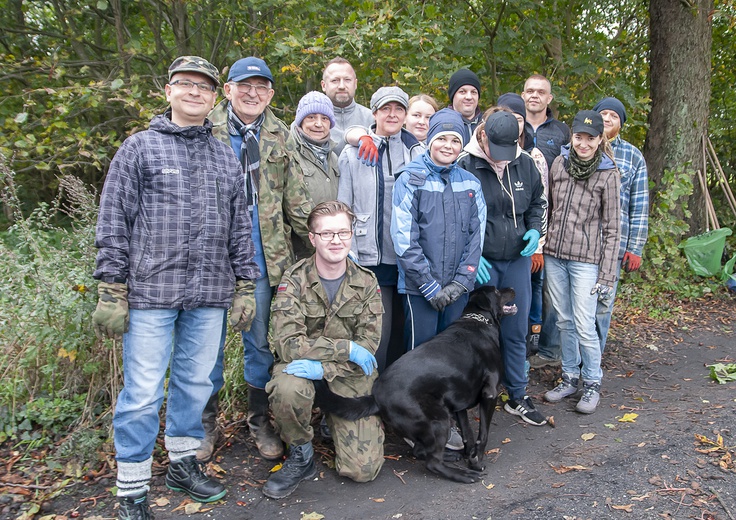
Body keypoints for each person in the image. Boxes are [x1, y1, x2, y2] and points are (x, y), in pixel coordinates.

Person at [92, 56, 259, 519]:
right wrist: (111, 286)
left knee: (194, 384)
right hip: (149, 294)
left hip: (209, 295)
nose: (194, 92)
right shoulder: (139, 148)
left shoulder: (223, 154)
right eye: (185, 84)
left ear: (213, 98)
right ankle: (132, 489)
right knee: (143, 392)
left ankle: (183, 464)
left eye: (203, 87)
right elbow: (112, 219)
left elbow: (239, 227)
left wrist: (245, 283)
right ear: (168, 91)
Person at [205, 56, 313, 462]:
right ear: (228, 89)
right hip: (211, 263)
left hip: (265, 262)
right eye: (244, 86)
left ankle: (258, 420)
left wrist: (326, 245)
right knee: (205, 348)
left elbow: (296, 201)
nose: (253, 94)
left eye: (262, 88)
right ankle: (205, 423)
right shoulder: (203, 130)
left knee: (260, 346)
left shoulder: (279, 135)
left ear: (270, 94)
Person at [263, 200, 384, 499]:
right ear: (313, 238)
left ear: (351, 235)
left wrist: (327, 366)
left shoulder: (367, 282)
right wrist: (344, 348)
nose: (336, 240)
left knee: (364, 470)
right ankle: (301, 454)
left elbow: (367, 348)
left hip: (346, 375)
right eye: (327, 234)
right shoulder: (293, 280)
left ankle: (335, 424)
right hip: (301, 369)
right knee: (288, 388)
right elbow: (289, 345)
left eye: (343, 232)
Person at [457, 110, 548, 426]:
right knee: (473, 331)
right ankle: (465, 397)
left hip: (516, 261)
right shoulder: (465, 165)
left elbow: (537, 202)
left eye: (510, 150)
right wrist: (470, 255)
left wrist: (535, 230)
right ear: (483, 136)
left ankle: (518, 396)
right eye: (499, 151)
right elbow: (456, 217)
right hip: (480, 263)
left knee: (515, 328)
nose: (504, 159)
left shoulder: (524, 162)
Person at [337, 86, 422, 372]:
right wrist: (348, 252)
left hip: (409, 259)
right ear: (374, 113)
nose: (393, 114)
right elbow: (343, 207)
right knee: (378, 336)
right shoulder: (353, 154)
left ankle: (400, 399)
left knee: (406, 333)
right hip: (370, 259)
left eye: (399, 109)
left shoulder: (417, 152)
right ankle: (370, 398)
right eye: (386, 108)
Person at [542, 110, 621, 414]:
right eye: (579, 137)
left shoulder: (608, 173)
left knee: (585, 324)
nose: (584, 143)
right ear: (571, 137)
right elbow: (549, 208)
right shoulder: (559, 164)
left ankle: (592, 381)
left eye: (590, 138)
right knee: (563, 320)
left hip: (587, 260)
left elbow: (614, 228)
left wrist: (607, 274)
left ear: (601, 139)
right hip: (555, 256)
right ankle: (569, 377)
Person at [392, 108, 486, 350]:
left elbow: (477, 238)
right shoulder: (410, 179)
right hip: (420, 289)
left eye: (455, 140)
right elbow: (403, 239)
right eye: (441, 139)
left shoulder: (470, 183)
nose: (448, 146)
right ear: (430, 140)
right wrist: (429, 286)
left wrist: (461, 282)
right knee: (420, 356)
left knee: (453, 355)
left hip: (457, 289)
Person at [521, 74, 570, 370]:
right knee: (522, 288)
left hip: (553, 222)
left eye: (541, 92)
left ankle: (549, 350)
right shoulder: (513, 123)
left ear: (550, 98)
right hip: (519, 222)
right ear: (523, 95)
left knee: (550, 290)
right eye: (530, 91)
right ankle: (521, 343)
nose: (535, 96)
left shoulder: (561, 132)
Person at [593, 97, 649, 353]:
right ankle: (564, 356)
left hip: (613, 245)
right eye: (603, 113)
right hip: (579, 242)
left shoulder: (633, 156)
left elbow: (639, 205)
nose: (607, 118)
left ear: (621, 123)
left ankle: (593, 357)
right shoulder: (580, 146)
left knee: (603, 305)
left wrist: (635, 247)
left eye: (613, 116)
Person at [497, 93, 549, 358]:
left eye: (518, 118)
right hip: (492, 253)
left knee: (526, 304)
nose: (513, 124)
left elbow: (540, 200)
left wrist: (537, 237)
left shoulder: (531, 158)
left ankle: (523, 367)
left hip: (522, 249)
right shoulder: (475, 159)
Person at [288, 91, 340, 259]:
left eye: (324, 118)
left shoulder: (333, 157)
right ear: (300, 120)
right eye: (311, 117)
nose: (318, 124)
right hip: (300, 252)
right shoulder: (287, 153)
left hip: (331, 248)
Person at [321, 57, 374, 155]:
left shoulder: (372, 119)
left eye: (347, 80)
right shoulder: (309, 122)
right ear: (324, 85)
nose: (341, 86)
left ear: (355, 83)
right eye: (335, 80)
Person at [448, 68, 482, 144]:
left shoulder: (487, 124)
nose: (469, 97)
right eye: (462, 92)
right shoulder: (441, 123)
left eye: (473, 92)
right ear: (453, 95)